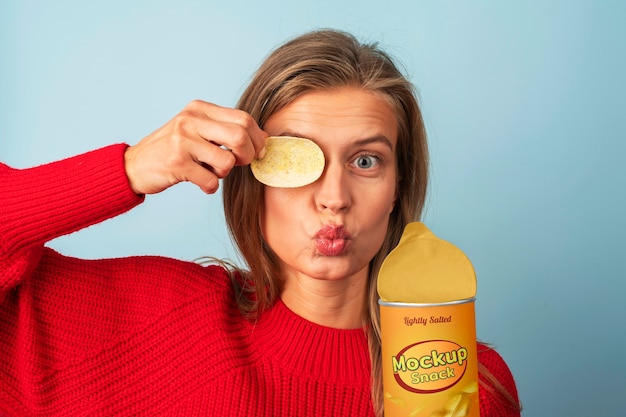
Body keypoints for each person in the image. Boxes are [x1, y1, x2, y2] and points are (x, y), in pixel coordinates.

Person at [0, 29, 521, 416]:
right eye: (300, 161)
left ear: (397, 189)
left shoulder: (463, 377)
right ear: (255, 177)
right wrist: (131, 168)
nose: (333, 199)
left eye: (365, 161)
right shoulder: (167, 319)